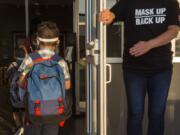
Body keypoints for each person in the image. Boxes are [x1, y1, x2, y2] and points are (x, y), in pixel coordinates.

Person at [99, 0, 179, 135]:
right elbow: (112, 16)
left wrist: (149, 45)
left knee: (157, 114)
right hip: (134, 69)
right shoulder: (128, 2)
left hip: (161, 68)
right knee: (135, 113)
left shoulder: (170, 2)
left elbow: (174, 31)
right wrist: (106, 16)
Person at [18, 21, 71, 135]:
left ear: (37, 41)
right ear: (57, 42)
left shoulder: (30, 59)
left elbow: (21, 83)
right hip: (54, 111)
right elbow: (67, 86)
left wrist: (27, 71)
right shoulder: (61, 62)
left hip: (33, 110)